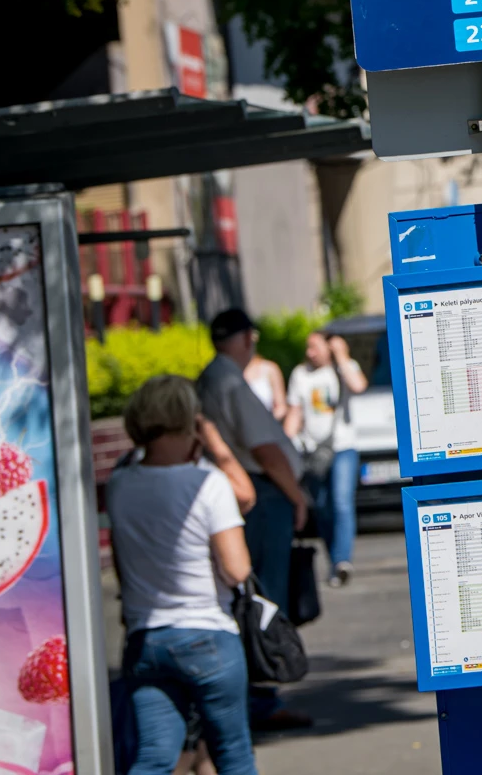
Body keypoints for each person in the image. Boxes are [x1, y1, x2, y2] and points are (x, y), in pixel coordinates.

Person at [107, 375, 258, 775]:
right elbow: (236, 568)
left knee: (154, 757)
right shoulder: (208, 483)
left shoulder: (120, 484)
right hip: (208, 636)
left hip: (146, 639)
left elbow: (122, 562)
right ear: (188, 419)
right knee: (233, 755)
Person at [197, 309, 312, 732]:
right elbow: (265, 449)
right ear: (248, 339)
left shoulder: (212, 378)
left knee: (251, 594)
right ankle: (261, 698)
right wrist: (297, 496)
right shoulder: (228, 381)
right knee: (264, 596)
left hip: (249, 490)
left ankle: (255, 697)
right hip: (263, 494)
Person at [284, 330, 367, 587]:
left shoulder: (344, 368)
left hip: (343, 447)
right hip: (312, 451)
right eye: (307, 347)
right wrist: (284, 441)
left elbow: (358, 385)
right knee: (321, 507)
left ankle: (342, 560)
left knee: (342, 502)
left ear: (329, 347)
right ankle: (335, 561)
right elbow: (295, 412)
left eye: (315, 347)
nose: (310, 352)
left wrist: (341, 355)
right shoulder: (300, 374)